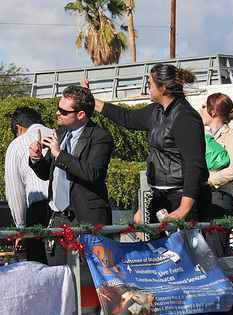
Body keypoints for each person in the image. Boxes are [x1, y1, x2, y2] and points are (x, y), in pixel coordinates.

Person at [82, 64, 210, 224]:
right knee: (157, 247)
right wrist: (90, 100)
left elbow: (194, 165)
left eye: (150, 84)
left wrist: (183, 209)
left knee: (185, 248)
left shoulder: (185, 117)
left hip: (184, 198)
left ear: (163, 88)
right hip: (161, 196)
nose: (147, 88)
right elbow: (126, 117)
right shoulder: (157, 111)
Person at [29, 85, 114, 265]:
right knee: (58, 277)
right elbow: (48, 174)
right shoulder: (59, 134)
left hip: (84, 217)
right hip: (57, 216)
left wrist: (60, 154)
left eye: (63, 111)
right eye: (58, 107)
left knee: (87, 279)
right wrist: (36, 158)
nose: (57, 113)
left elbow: (93, 173)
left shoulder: (100, 137)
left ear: (80, 114)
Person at [5, 106, 53, 263]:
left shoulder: (17, 144)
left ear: (18, 128)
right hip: (66, 211)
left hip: (39, 210)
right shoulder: (58, 134)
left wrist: (21, 228)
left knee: (39, 269)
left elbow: (15, 191)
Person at [200, 93, 233, 257]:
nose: (201, 110)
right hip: (202, 198)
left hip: (220, 196)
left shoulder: (231, 136)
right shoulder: (202, 135)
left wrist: (210, 181)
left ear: (213, 111)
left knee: (215, 252)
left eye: (204, 106)